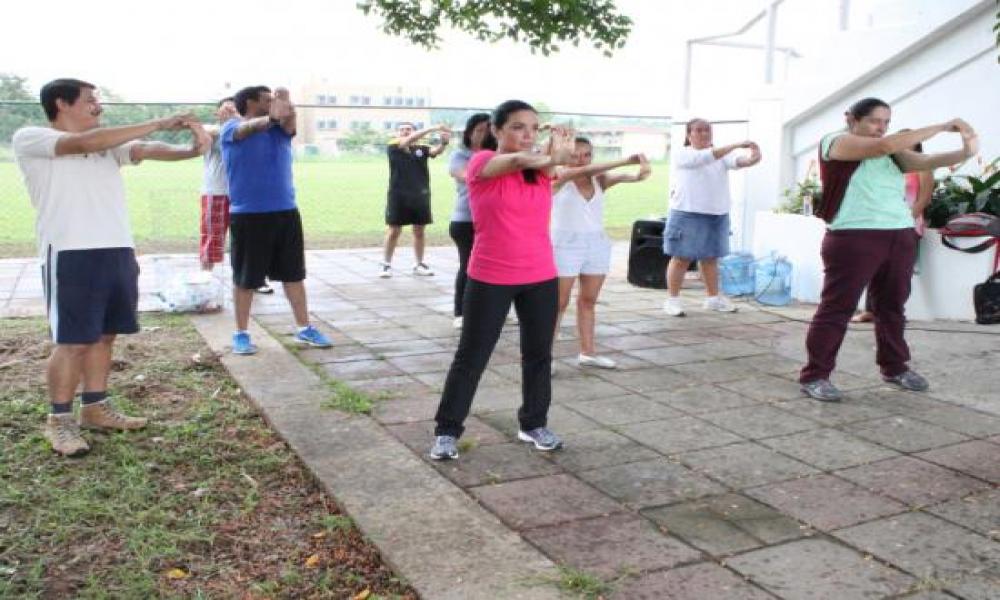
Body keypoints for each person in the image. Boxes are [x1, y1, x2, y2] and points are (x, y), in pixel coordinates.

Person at [12, 78, 210, 456]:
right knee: (72, 341)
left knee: (105, 335)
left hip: (116, 249)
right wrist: (158, 120)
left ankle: (95, 408)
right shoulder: (32, 137)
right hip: (71, 252)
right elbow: (84, 143)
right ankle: (59, 420)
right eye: (90, 100)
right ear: (62, 103)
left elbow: (147, 149)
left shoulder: (109, 145)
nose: (98, 107)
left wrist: (191, 147)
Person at [800, 98, 978, 402]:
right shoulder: (837, 142)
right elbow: (884, 146)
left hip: (898, 233)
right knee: (837, 308)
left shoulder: (890, 150)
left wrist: (966, 149)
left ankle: (895, 367)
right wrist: (942, 126)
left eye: (885, 123)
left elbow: (923, 162)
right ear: (851, 118)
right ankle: (815, 375)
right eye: (874, 121)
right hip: (853, 235)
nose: (880, 129)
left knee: (892, 307)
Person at [430, 100, 575, 460]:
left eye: (533, 128)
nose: (526, 135)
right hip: (491, 276)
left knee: (539, 354)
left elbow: (550, 165)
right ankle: (447, 431)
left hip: (540, 274)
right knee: (472, 357)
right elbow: (518, 160)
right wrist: (552, 155)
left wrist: (558, 155)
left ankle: (533, 423)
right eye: (517, 127)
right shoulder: (481, 162)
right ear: (496, 131)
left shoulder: (540, 170)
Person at [220, 85, 333, 355]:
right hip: (249, 215)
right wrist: (271, 116)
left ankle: (304, 328)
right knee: (246, 279)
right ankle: (242, 334)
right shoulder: (231, 126)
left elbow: (289, 121)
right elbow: (247, 129)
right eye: (267, 100)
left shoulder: (278, 131)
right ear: (250, 102)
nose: (273, 104)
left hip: (285, 212)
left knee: (294, 275)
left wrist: (285, 102)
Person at [552, 139, 651, 369]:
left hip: (596, 243)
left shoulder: (599, 179)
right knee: (558, 302)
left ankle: (588, 353)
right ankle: (544, 358)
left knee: (588, 300)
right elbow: (578, 170)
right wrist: (626, 160)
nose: (582, 160)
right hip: (565, 244)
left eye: (587, 155)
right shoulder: (558, 176)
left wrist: (642, 170)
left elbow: (634, 177)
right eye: (576, 155)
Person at [663, 119, 761, 317]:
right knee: (681, 257)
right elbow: (706, 158)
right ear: (689, 135)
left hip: (717, 213)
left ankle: (713, 299)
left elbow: (739, 162)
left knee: (710, 258)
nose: (704, 134)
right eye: (698, 130)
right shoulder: (683, 154)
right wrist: (735, 144)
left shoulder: (721, 154)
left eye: (707, 130)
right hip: (687, 212)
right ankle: (672, 300)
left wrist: (754, 157)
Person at [852, 132, 934, 323]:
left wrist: (905, 219)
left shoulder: (923, 166)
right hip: (881, 225)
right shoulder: (888, 165)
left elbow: (924, 198)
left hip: (908, 226)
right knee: (874, 268)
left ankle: (892, 313)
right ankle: (871, 311)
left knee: (900, 272)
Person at [378, 122, 451, 278]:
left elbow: (435, 151)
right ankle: (386, 264)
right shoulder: (393, 146)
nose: (405, 132)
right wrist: (432, 128)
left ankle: (419, 264)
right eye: (402, 129)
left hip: (420, 195)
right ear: (397, 133)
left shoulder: (421, 149)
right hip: (398, 195)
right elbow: (407, 141)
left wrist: (444, 142)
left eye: (408, 129)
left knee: (419, 231)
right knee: (394, 231)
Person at [448, 113, 496, 329]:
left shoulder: (499, 156)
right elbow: (466, 175)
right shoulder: (461, 155)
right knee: (468, 266)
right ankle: (461, 312)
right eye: (479, 130)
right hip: (466, 221)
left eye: (489, 130)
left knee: (495, 269)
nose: (484, 134)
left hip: (494, 222)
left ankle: (493, 309)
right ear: (469, 133)